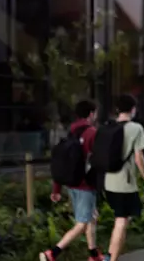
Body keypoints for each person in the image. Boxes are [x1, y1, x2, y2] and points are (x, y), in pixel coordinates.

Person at [41, 100, 104, 261]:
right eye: (95, 112)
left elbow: (63, 161)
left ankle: (94, 254)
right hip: (86, 185)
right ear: (91, 114)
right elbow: (99, 160)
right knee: (82, 223)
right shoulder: (92, 133)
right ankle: (53, 253)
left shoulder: (71, 132)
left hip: (71, 183)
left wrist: (56, 190)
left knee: (90, 217)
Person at [103, 95, 144, 261]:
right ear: (133, 109)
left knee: (121, 220)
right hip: (124, 183)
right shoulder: (135, 128)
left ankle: (110, 256)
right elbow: (139, 158)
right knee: (121, 221)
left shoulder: (108, 126)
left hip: (108, 181)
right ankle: (111, 259)